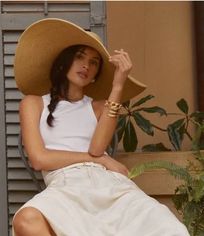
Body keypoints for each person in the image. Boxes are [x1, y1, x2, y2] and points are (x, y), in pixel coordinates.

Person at [12, 18, 189, 236]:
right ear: (63, 63)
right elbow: (40, 159)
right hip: (66, 185)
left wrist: (118, 85)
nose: (86, 65)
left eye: (94, 62)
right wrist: (101, 159)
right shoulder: (33, 103)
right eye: (79, 57)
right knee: (25, 220)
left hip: (107, 184)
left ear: (96, 75)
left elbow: (97, 148)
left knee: (169, 228)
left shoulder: (98, 107)